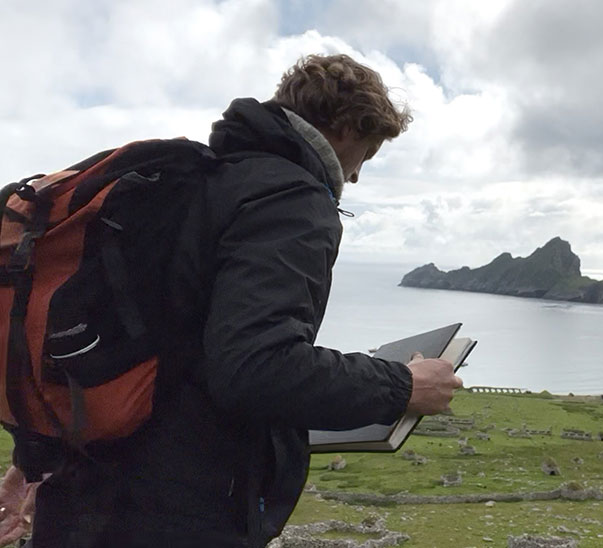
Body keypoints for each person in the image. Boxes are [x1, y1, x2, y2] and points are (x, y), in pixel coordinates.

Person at [17, 54, 464, 547]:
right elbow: (256, 368)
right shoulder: (290, 198)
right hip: (178, 513)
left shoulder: (197, 182)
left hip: (82, 496)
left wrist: (34, 464)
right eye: (368, 151)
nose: (356, 175)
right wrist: (400, 386)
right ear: (343, 127)